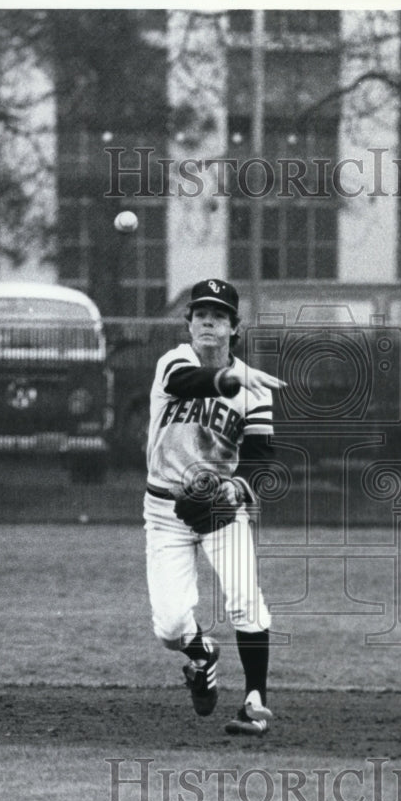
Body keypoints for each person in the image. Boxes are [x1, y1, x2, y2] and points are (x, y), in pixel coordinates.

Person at [143, 278, 286, 735]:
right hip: (165, 510)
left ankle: (254, 703)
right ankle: (201, 654)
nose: (208, 321)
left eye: (219, 315)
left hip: (221, 510)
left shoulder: (255, 390)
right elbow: (188, 383)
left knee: (246, 599)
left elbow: (262, 457)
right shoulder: (174, 362)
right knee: (169, 629)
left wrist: (239, 489)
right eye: (200, 313)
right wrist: (230, 377)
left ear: (234, 328)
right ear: (188, 323)